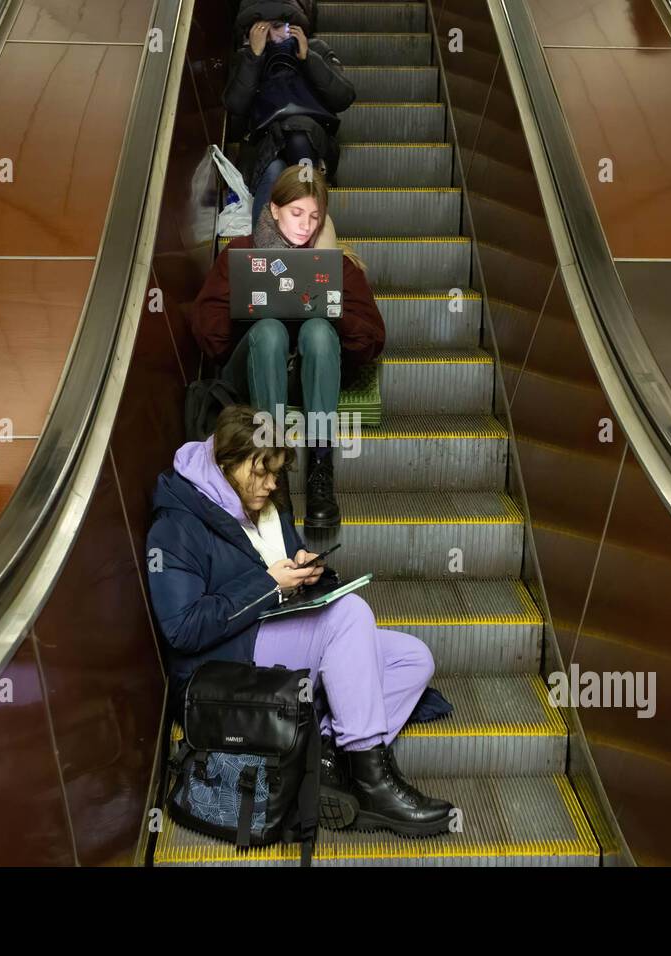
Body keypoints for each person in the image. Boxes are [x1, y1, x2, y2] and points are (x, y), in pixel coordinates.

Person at [146, 404, 454, 836]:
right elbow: (183, 628)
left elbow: (283, 576)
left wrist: (307, 570)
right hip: (222, 665)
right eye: (263, 472)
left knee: (413, 657)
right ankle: (372, 781)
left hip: (273, 631)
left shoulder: (266, 506)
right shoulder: (176, 524)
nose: (272, 484)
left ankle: (327, 752)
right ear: (227, 464)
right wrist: (269, 584)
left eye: (276, 473)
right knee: (349, 616)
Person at [191, 165, 385, 528]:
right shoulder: (242, 253)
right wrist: (245, 309)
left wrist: (330, 307)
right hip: (255, 367)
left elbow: (370, 342)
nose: (305, 225)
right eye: (296, 213)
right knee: (269, 331)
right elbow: (210, 339)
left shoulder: (336, 266)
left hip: (310, 375)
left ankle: (320, 470)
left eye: (314, 217)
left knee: (318, 331)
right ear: (275, 209)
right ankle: (270, 468)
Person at [224, 0, 356, 225]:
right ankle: (268, 247)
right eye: (262, 29)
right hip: (266, 147)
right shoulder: (246, 58)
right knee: (274, 169)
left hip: (311, 141)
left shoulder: (316, 49)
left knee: (298, 137)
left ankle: (307, 232)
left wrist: (308, 59)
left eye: (279, 26)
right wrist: (254, 59)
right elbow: (235, 106)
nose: (273, 36)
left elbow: (343, 97)